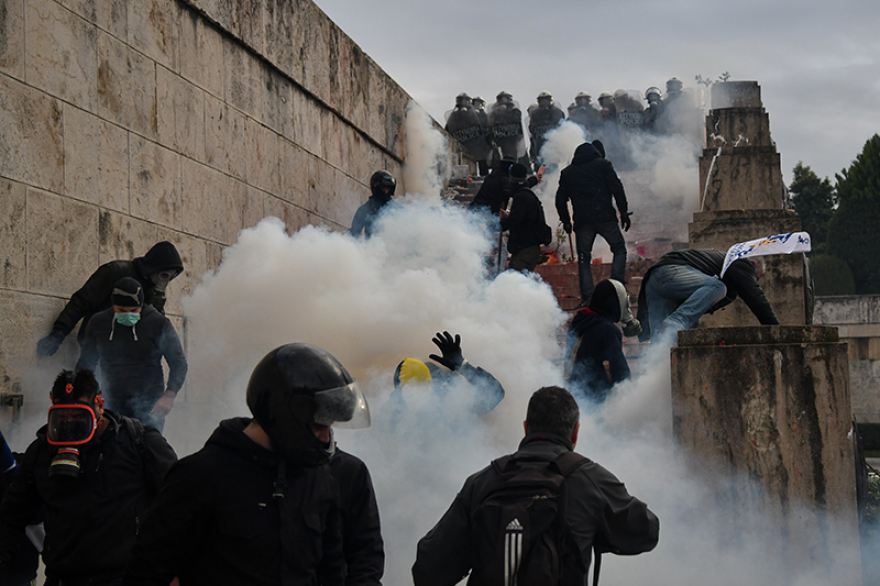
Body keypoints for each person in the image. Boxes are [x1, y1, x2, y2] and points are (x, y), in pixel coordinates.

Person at [123, 343, 371, 586]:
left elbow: (333, 572)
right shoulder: (200, 476)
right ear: (284, 414)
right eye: (319, 426)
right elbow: (147, 572)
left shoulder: (319, 479)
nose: (327, 438)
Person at [412, 386, 659, 586]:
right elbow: (645, 533)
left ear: (526, 427)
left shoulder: (484, 481)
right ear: (575, 433)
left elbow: (428, 569)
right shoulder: (590, 479)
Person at [0, 369, 177, 586]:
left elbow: (179, 507)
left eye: (79, 417)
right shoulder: (41, 453)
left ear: (99, 406)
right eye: (62, 417)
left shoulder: (137, 443)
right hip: (63, 578)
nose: (70, 425)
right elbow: (12, 516)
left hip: (125, 577)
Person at [76, 277, 187, 432]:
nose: (128, 315)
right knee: (113, 448)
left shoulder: (159, 324)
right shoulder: (98, 323)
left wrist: (169, 395)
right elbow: (86, 364)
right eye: (121, 310)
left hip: (150, 404)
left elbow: (179, 363)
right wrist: (83, 396)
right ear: (112, 305)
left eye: (134, 311)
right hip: (110, 403)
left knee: (148, 449)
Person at [36, 242, 184, 356]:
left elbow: (157, 327)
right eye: (165, 275)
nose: (165, 280)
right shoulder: (115, 271)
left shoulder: (152, 292)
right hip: (97, 346)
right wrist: (58, 334)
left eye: (170, 277)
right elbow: (81, 301)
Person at [636, 248, 780, 341]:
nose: (753, 280)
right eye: (756, 277)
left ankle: (652, 379)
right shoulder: (741, 262)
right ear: (753, 264)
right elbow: (756, 297)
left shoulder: (729, 283)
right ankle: (676, 321)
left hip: (655, 281)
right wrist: (776, 329)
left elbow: (697, 306)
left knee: (661, 341)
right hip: (670, 270)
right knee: (717, 287)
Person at [555, 141, 631, 305]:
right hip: (605, 216)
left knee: (584, 259)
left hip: (583, 221)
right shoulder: (603, 165)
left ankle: (588, 298)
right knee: (619, 249)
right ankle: (617, 288)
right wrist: (623, 212)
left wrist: (566, 221)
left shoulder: (568, 173)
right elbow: (617, 188)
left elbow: (560, 200)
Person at [381, 331, 505, 429]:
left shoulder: (450, 409)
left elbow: (495, 393)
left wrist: (463, 366)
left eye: (423, 385)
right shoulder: (391, 418)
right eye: (408, 388)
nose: (415, 394)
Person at [565, 279, 640, 404]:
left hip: (576, 396)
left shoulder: (579, 321)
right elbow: (621, 375)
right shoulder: (607, 330)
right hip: (600, 403)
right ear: (613, 302)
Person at [328, 443, 384, 586]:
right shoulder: (264, 471)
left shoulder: (348, 471)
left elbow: (366, 556)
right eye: (316, 427)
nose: (325, 436)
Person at [500, 164, 551, 273]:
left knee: (515, 281)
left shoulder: (521, 197)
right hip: (528, 248)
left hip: (526, 249)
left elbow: (515, 220)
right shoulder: (525, 193)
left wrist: (499, 224)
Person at [351, 171, 397, 239]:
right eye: (383, 188)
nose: (386, 191)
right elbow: (353, 235)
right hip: (373, 247)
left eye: (388, 188)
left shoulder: (397, 209)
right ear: (376, 187)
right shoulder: (365, 210)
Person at [527, 92, 565, 164]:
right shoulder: (535, 114)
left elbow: (562, 129)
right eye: (542, 100)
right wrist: (532, 153)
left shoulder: (557, 112)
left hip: (554, 146)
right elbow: (532, 132)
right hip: (539, 146)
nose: (544, 102)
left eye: (546, 100)